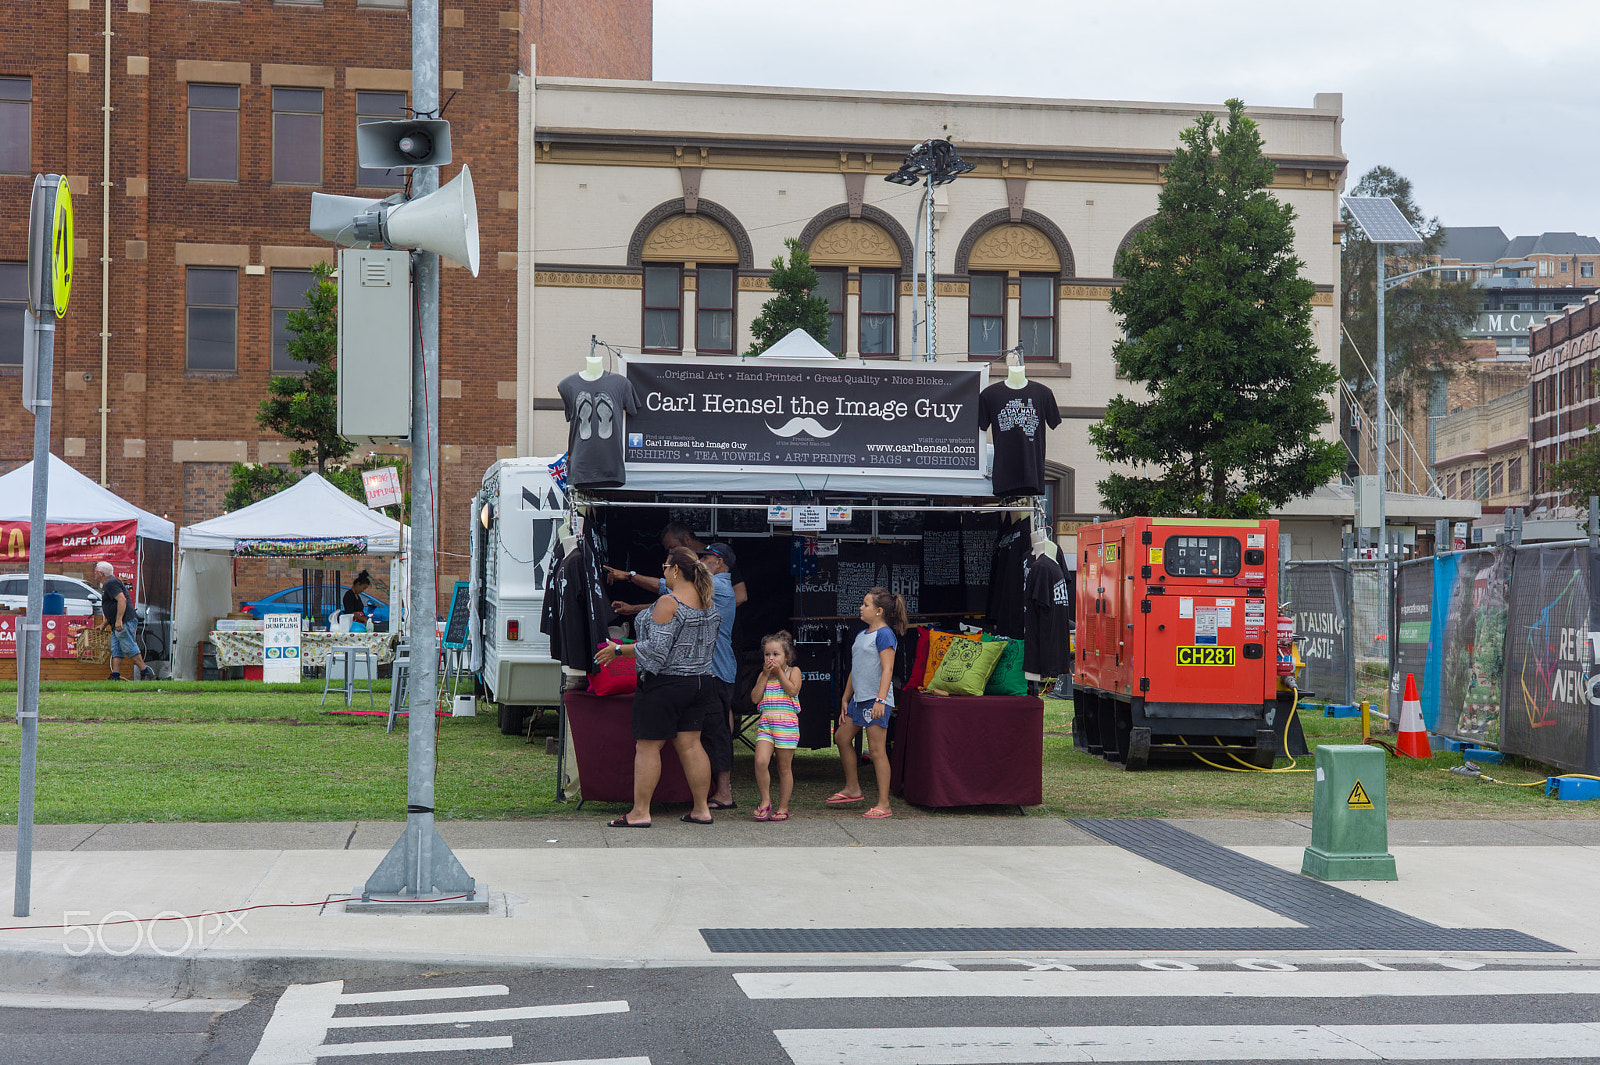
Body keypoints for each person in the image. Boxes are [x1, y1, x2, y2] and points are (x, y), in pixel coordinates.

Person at [607, 542, 740, 810]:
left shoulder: (672, 602)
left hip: (667, 682)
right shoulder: (707, 600)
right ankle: (701, 810)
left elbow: (657, 652)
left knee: (647, 747)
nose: (663, 571)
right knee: (692, 746)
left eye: (665, 567)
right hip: (700, 680)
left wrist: (619, 650)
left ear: (677, 569)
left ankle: (640, 812)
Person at [829, 586, 906, 819]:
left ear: (879, 610)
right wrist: (845, 697)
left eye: (865, 604)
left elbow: (888, 668)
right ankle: (853, 788)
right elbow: (856, 669)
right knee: (841, 738)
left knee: (876, 751)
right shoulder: (862, 634)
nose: (861, 608)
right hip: (859, 699)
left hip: (876, 700)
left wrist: (881, 700)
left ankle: (884, 805)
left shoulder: (884, 634)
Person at [749, 630, 802, 822]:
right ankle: (765, 801)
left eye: (775, 654)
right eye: (767, 654)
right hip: (766, 723)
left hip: (786, 725)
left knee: (784, 767)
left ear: (786, 657)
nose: (770, 658)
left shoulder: (792, 672)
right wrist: (764, 675)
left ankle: (783, 807)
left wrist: (779, 672)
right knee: (761, 761)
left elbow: (793, 689)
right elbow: (755, 698)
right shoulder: (763, 675)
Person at [94, 561, 152, 681]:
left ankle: (146, 673)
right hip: (117, 623)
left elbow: (122, 600)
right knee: (116, 649)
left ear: (101, 573)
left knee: (128, 645)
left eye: (95, 572)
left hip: (124, 621)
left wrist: (119, 620)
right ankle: (115, 676)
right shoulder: (109, 583)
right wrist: (105, 624)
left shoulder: (111, 583)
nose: (94, 574)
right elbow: (113, 605)